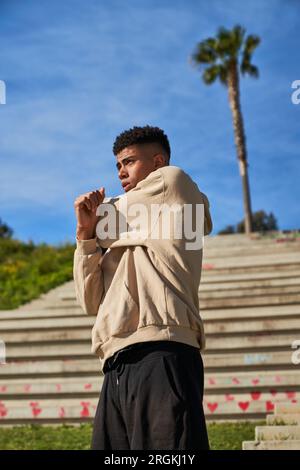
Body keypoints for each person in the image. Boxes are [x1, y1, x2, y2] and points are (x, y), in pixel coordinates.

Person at [73, 125, 213, 450]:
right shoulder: (126, 232)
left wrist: (95, 220)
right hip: (116, 362)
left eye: (130, 161)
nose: (122, 171)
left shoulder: (174, 182)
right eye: (118, 165)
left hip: (162, 351)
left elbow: (105, 218)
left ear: (158, 161)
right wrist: (84, 236)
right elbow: (90, 302)